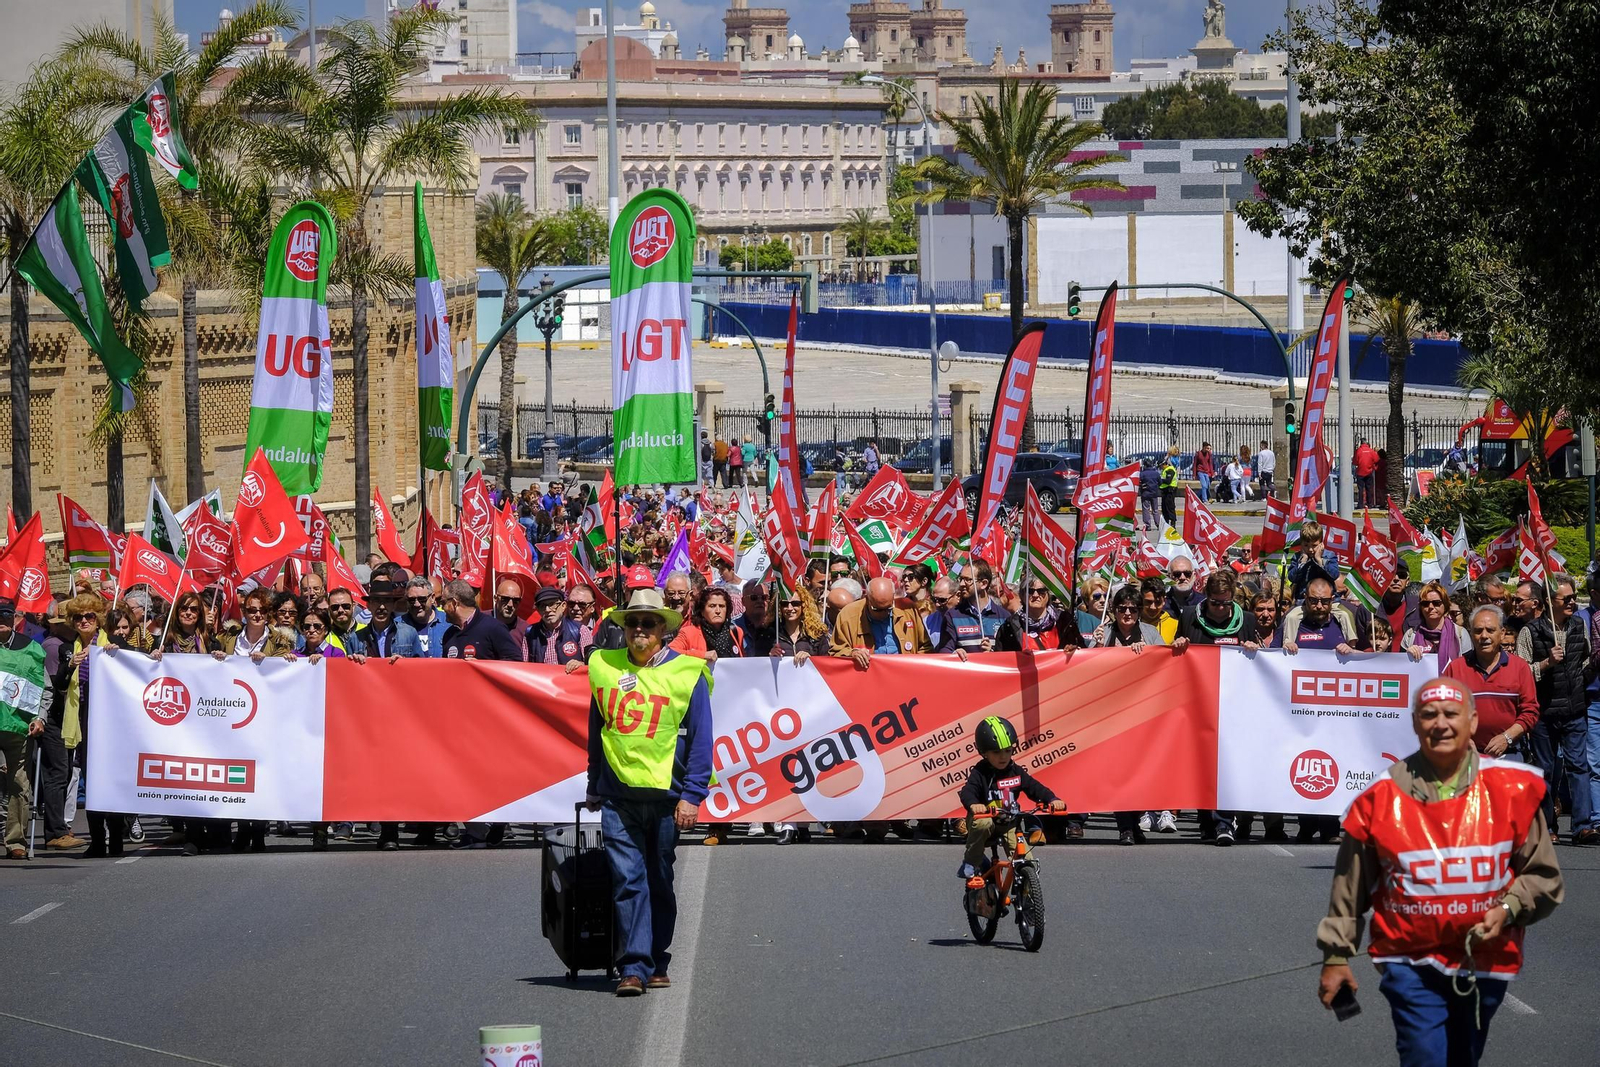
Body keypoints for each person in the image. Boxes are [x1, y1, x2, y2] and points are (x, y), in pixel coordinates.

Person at [1316, 677, 1563, 1066]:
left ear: (1474, 721)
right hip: (1409, 964)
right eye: (1429, 715)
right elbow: (1349, 888)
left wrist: (1510, 908)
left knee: (1463, 1058)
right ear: (1415, 723)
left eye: (1451, 714)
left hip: (1484, 961)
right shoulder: (1378, 799)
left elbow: (1543, 876)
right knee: (1425, 1057)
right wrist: (1335, 957)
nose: (1441, 724)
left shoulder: (1510, 790)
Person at [583, 587, 713, 996]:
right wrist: (593, 782)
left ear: (663, 630)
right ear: (623, 628)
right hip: (618, 797)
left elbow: (702, 740)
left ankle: (658, 957)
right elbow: (596, 728)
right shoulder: (603, 666)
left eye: (648, 623)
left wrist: (692, 795)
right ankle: (634, 967)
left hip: (666, 801)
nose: (639, 629)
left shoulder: (688, 673)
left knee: (658, 879)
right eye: (632, 622)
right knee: (628, 880)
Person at [1513, 574, 1590, 843]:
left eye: (1573, 597)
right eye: (1566, 599)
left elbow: (1585, 659)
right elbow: (1520, 673)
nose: (1572, 602)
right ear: (1549, 601)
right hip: (1544, 712)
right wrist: (1546, 664)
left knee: (1579, 766)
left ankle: (1583, 826)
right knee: (1545, 769)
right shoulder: (1530, 631)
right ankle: (1547, 826)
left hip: (1573, 709)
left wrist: (1580, 683)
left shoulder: (1579, 625)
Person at [956, 715, 1066, 883]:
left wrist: (1051, 799)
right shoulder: (980, 772)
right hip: (985, 820)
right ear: (984, 753)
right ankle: (971, 862)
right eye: (997, 752)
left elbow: (1034, 787)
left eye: (1008, 750)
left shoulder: (1015, 771)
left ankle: (1026, 893)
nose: (1003, 757)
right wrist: (974, 805)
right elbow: (967, 791)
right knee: (983, 824)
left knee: (1026, 860)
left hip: (1009, 824)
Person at [0, 598, 46, 860]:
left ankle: (15, 841)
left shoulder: (32, 649)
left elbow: (44, 688)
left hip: (19, 727)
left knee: (18, 784)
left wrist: (40, 718)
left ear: (14, 618)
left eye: (6, 615)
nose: (2, 621)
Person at [831, 576, 934, 666]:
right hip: (868, 679)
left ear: (893, 598)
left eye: (888, 609)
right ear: (867, 599)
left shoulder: (907, 609)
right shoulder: (848, 615)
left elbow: (925, 647)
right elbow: (835, 651)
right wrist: (851, 653)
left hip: (903, 676)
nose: (884, 613)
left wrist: (914, 668)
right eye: (877, 609)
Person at [440, 579, 520, 662]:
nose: (442, 607)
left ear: (454, 603)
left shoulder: (494, 628)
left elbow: (515, 662)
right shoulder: (449, 634)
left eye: (443, 603)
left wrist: (481, 666)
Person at [1402, 582, 1469, 671]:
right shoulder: (1410, 635)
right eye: (1425, 603)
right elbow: (1402, 669)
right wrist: (1407, 656)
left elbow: (1469, 669)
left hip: (1451, 684)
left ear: (1445, 605)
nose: (1430, 607)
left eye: (1436, 603)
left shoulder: (1460, 634)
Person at [671, 587, 744, 667]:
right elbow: (670, 653)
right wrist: (702, 655)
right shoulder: (688, 633)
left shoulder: (736, 631)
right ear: (702, 611)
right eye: (712, 606)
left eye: (722, 606)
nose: (718, 611)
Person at [528, 586, 590, 665]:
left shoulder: (580, 631)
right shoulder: (530, 633)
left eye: (552, 604)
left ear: (563, 606)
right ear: (537, 610)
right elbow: (525, 668)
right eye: (542, 606)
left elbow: (592, 665)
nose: (547, 610)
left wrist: (581, 664)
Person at [1287, 521, 1343, 602]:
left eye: (1314, 546)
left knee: (1345, 614)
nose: (1310, 549)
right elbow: (1292, 578)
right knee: (1291, 615)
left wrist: (1320, 560)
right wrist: (1302, 562)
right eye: (1306, 545)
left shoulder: (1329, 556)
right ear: (1301, 544)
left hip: (1328, 601)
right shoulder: (1297, 557)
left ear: (1321, 544)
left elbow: (1334, 575)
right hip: (1304, 600)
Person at [492, 577, 530, 661]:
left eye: (516, 600)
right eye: (505, 599)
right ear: (495, 598)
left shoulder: (526, 630)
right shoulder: (480, 622)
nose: (510, 604)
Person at [734, 580, 774, 657]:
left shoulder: (777, 629)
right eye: (754, 597)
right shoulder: (732, 628)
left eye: (764, 597)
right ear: (743, 601)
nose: (760, 601)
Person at [1353, 437, 1379, 509]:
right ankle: (1369, 504)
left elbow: (1355, 461)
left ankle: (1360, 505)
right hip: (1369, 472)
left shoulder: (1358, 451)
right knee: (1369, 488)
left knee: (1360, 489)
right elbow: (1376, 459)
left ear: (1361, 443)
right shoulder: (1371, 451)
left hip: (1360, 472)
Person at [1159, 447, 1180, 528]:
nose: (1160, 467)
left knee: (1170, 507)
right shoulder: (1165, 470)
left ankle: (1173, 522)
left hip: (1170, 490)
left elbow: (1168, 481)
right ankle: (1166, 522)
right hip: (1165, 491)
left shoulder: (1170, 470)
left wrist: (1160, 480)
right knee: (1164, 507)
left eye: (1161, 465)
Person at [1137, 456, 1160, 532]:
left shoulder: (1142, 474)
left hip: (1145, 493)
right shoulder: (1156, 473)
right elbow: (1160, 482)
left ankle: (1147, 525)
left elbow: (1138, 483)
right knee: (1155, 510)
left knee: (1146, 509)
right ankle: (1158, 524)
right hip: (1154, 493)